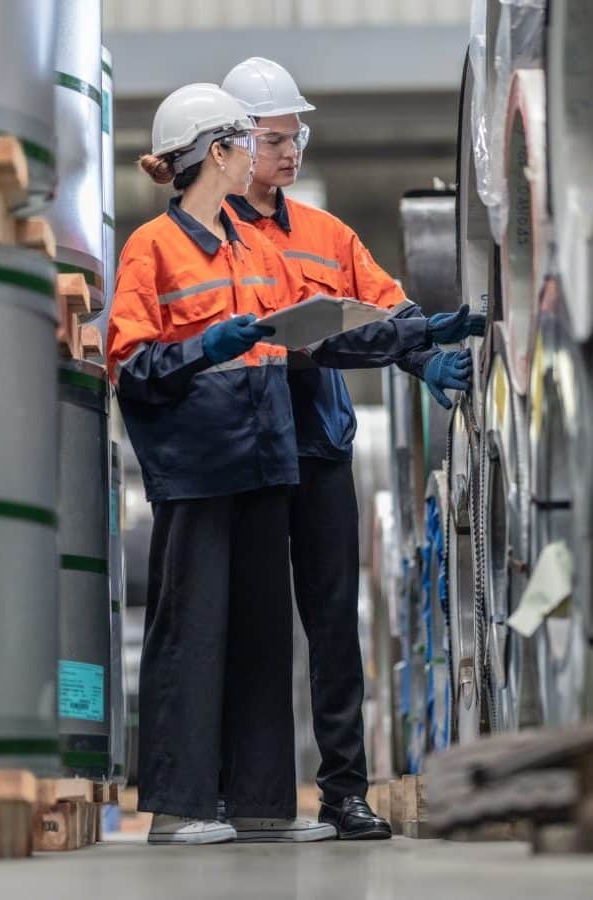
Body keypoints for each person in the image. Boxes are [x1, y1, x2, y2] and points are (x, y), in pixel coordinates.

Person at [108, 82, 475, 846]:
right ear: (218, 152)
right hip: (202, 464)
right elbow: (132, 365)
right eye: (249, 142)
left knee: (265, 635)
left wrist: (424, 334)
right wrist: (203, 347)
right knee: (195, 631)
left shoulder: (253, 248)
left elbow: (317, 341)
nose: (264, 156)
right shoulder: (154, 247)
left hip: (268, 458)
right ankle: (180, 806)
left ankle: (260, 805)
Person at [221, 57, 485, 840]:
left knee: (333, 626)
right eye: (275, 137)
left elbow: (387, 307)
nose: (291, 149)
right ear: (234, 142)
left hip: (321, 449)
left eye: (297, 133)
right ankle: (254, 795)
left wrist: (423, 353)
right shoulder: (212, 236)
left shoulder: (327, 233)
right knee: (260, 627)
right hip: (247, 451)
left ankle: (344, 792)